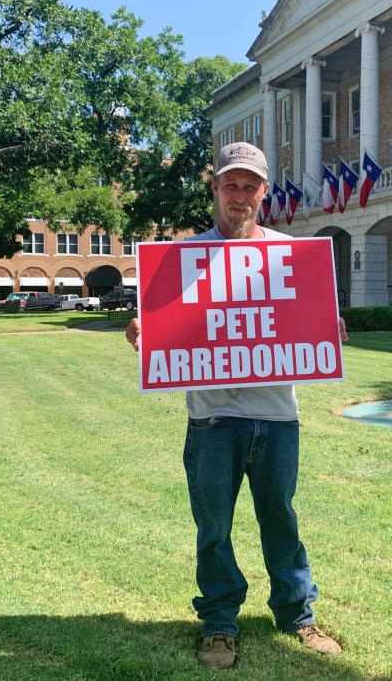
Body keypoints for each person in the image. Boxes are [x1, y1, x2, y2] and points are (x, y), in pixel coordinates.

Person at [126, 142, 347, 669]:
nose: (240, 196)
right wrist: (145, 333)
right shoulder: (183, 260)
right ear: (216, 189)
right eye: (231, 184)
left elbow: (305, 326)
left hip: (276, 417)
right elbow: (165, 327)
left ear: (264, 192)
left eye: (250, 186)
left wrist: (328, 331)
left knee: (282, 520)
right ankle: (220, 623)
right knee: (214, 528)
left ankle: (297, 614)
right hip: (211, 419)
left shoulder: (291, 255)